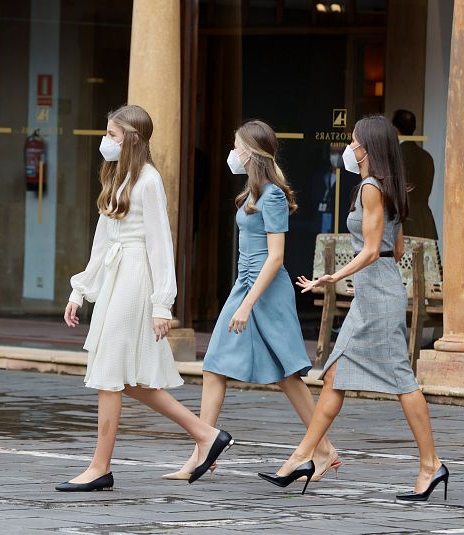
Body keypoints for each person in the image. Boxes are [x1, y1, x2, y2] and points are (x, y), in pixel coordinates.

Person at [259, 115, 447, 501]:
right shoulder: (384, 187)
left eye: (354, 140)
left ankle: (431, 465)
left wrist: (332, 276)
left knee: (401, 381)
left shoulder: (371, 188)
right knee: (335, 376)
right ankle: (305, 456)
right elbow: (395, 248)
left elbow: (374, 250)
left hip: (378, 298)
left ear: (367, 147)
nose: (349, 146)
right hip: (375, 293)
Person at [57, 104, 233, 492]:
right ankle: (206, 435)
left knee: (110, 373)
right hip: (117, 277)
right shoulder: (117, 177)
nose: (106, 142)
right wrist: (80, 290)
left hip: (136, 278)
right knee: (128, 379)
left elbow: (159, 244)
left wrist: (161, 305)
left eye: (113, 135)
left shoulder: (149, 180)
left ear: (132, 139)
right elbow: (103, 242)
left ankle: (100, 466)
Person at [164, 120, 340, 483]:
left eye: (236, 145)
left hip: (264, 291)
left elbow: (276, 257)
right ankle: (203, 450)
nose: (233, 152)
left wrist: (247, 305)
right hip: (245, 285)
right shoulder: (252, 194)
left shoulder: (273, 194)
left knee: (287, 374)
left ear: (250, 151)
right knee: (215, 365)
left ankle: (324, 450)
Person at [392, 109, 437, 240]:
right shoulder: (426, 156)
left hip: (402, 222)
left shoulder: (395, 156)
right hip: (424, 221)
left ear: (395, 129)